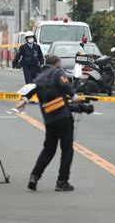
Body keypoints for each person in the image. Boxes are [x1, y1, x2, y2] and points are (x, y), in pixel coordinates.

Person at [16, 55, 79, 192]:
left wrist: (24, 101)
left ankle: (34, 176)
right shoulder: (58, 72)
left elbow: (30, 91)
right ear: (57, 63)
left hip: (49, 118)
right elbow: (65, 85)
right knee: (67, 150)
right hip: (63, 116)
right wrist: (75, 97)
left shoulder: (38, 78)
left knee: (48, 149)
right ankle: (62, 181)